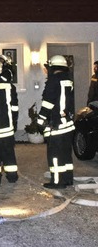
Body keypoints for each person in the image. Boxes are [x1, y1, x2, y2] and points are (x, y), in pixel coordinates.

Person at [37, 55, 75, 189]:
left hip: (56, 125)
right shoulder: (67, 80)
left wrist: (41, 119)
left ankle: (57, 181)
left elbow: (48, 102)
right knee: (66, 154)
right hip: (67, 124)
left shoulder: (53, 81)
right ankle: (68, 179)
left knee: (55, 155)